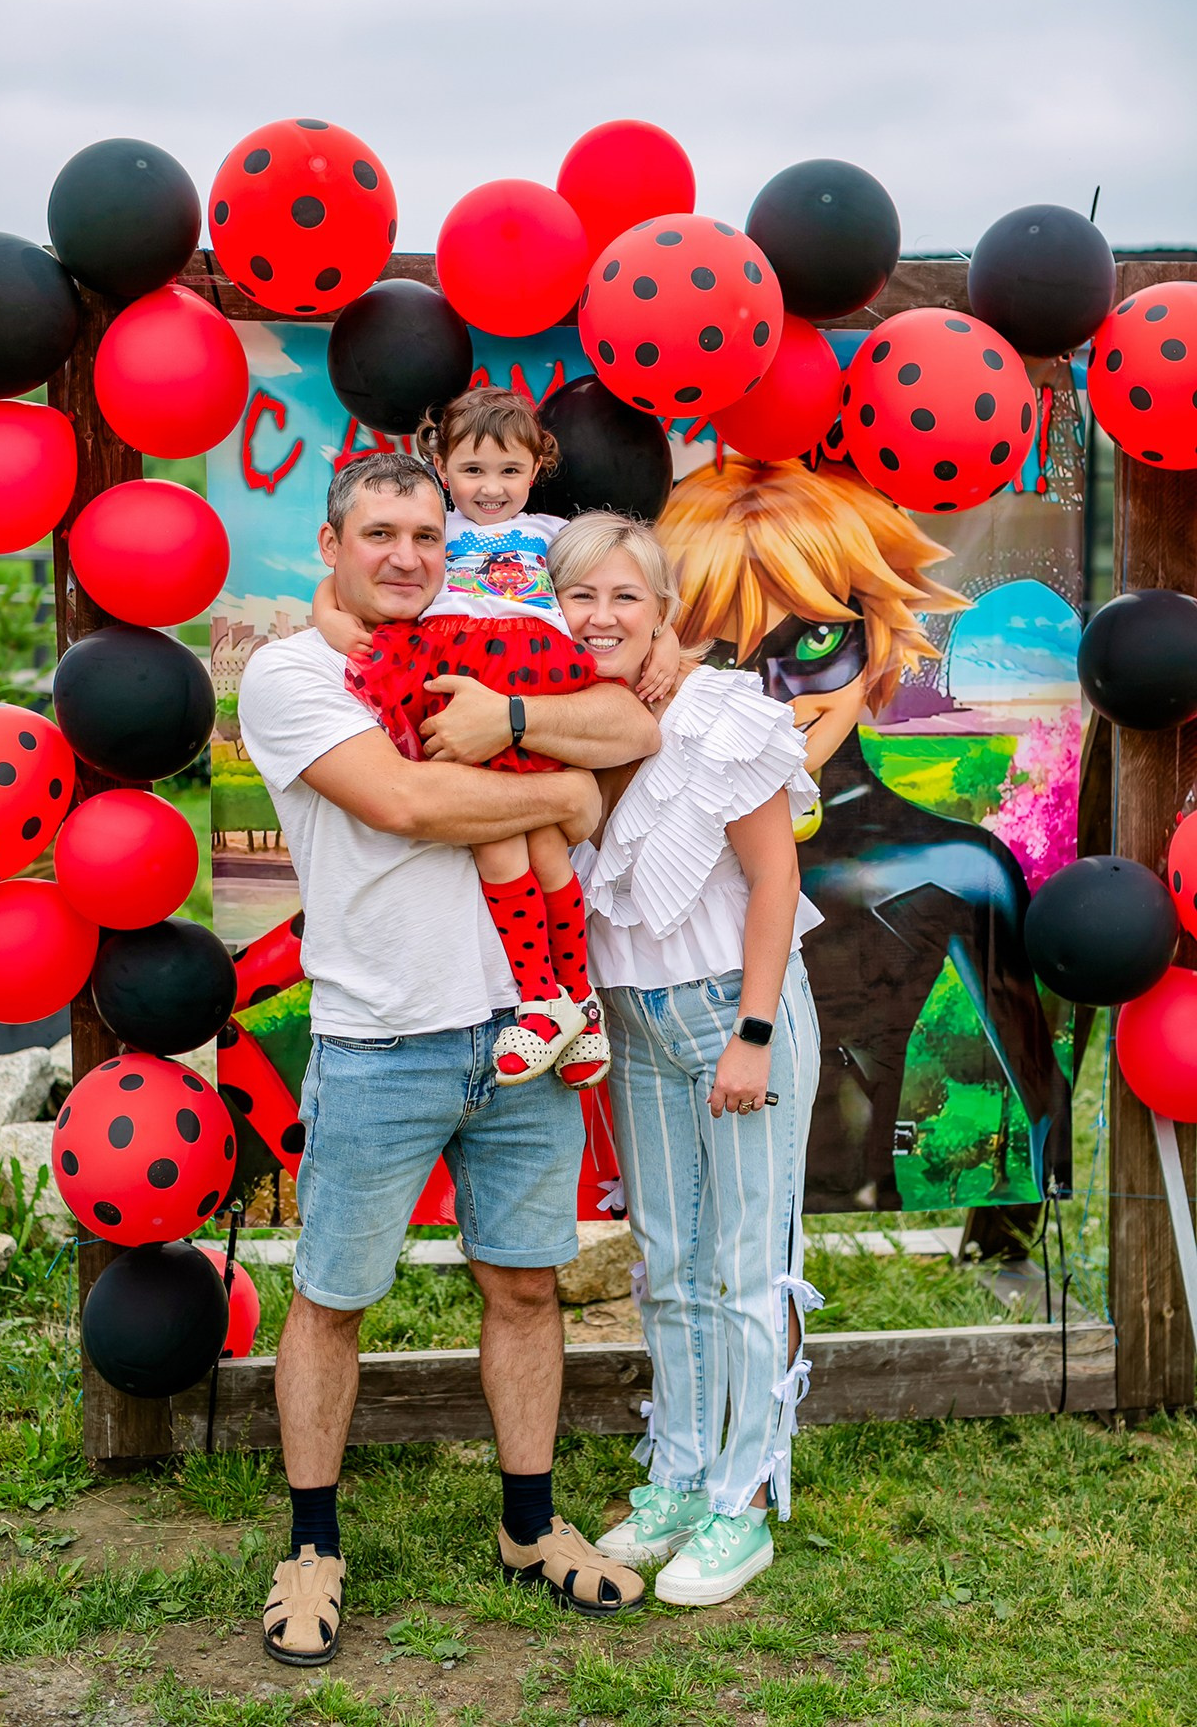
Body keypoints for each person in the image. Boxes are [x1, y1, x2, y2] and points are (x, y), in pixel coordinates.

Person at [239, 453, 660, 1665]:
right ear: (331, 545)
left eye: (427, 534)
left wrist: (521, 728)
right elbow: (406, 805)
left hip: (529, 1036)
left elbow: (630, 718)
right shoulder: (293, 674)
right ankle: (311, 1545)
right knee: (333, 1298)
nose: (408, 556)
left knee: (526, 1284)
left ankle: (530, 1525)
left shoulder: (487, 639)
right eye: (380, 533)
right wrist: (566, 792)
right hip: (381, 1038)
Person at [656, 456, 1072, 1210]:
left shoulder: (956, 869)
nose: (773, 696)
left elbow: (1042, 1098)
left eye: (815, 644)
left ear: (877, 636)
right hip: (683, 1208)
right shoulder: (651, 850)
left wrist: (1006, 1245)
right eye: (725, 655)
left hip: (844, 1198)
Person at [550, 511, 824, 1606]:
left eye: (624, 597)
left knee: (747, 1265)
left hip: (731, 1013)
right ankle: (675, 1475)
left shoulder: (719, 718)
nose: (601, 616)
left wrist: (753, 1031)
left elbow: (772, 882)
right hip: (636, 1022)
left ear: (664, 610)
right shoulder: (568, 724)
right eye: (580, 596)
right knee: (668, 1260)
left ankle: (741, 1500)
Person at [313, 387, 678, 1091]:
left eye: (509, 471)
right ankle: (543, 999)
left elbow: (629, 584)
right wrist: (329, 618)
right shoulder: (435, 533)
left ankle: (575, 999)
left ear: (537, 468)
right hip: (453, 675)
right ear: (442, 467)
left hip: (535, 680)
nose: (491, 488)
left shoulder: (552, 534)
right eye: (474, 470)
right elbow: (338, 586)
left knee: (547, 847)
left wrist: (663, 644)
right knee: (498, 837)